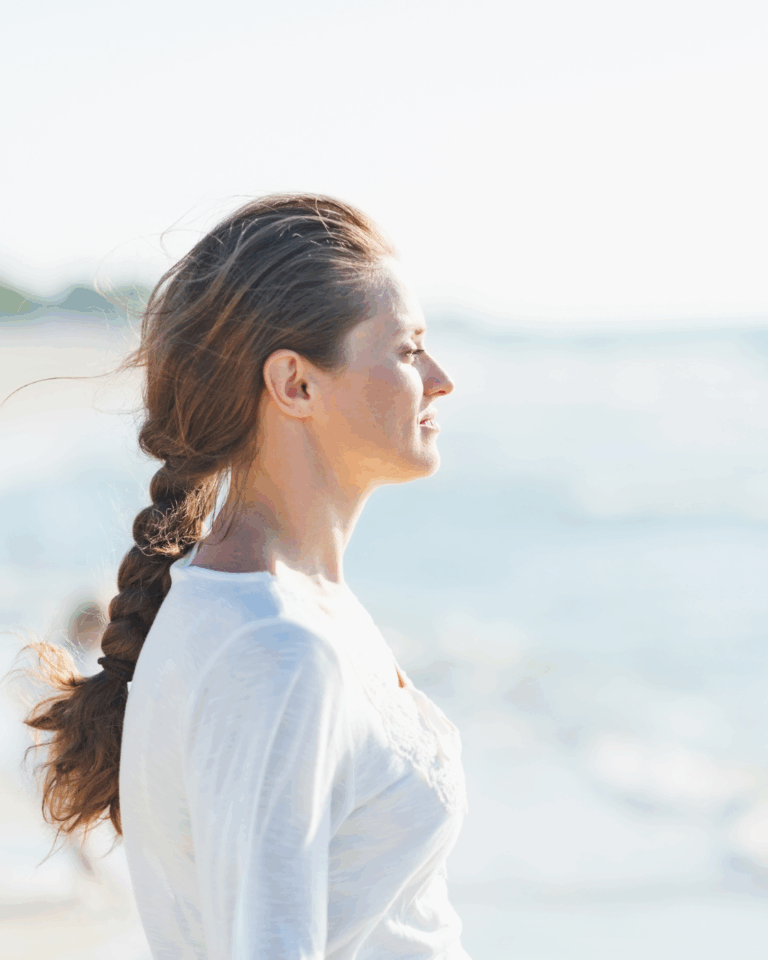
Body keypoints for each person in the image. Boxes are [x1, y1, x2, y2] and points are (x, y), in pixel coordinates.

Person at [24, 194, 471, 959]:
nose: (441, 378)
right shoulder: (276, 649)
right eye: (408, 348)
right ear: (295, 384)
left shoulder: (284, 605)